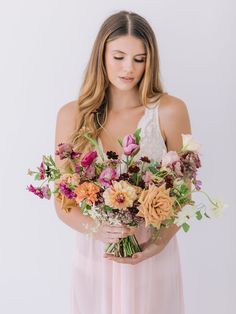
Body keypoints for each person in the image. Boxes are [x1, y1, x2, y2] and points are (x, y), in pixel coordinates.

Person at [54, 10, 191, 314]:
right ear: (101, 55)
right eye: (118, 57)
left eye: (139, 59)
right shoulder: (72, 115)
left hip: (151, 254)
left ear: (149, 61)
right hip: (95, 254)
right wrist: (96, 229)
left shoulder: (170, 110)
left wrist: (158, 243)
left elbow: (185, 194)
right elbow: (62, 201)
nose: (129, 68)